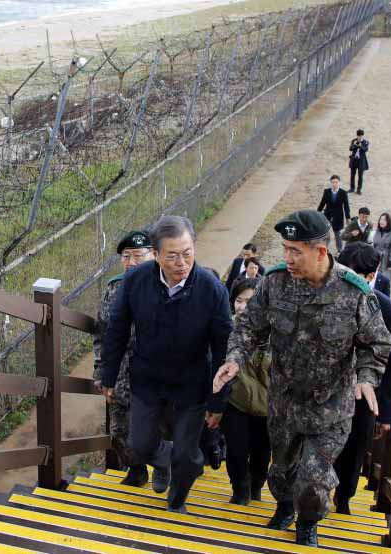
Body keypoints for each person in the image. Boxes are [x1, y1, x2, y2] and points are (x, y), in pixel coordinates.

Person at [213, 210, 391, 546]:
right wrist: (235, 359)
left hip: (330, 409)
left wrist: (367, 376)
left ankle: (308, 522)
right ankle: (284, 506)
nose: (287, 258)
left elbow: (377, 343)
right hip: (283, 403)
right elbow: (249, 326)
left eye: (295, 251)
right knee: (281, 470)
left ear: (320, 251)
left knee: (313, 480)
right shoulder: (275, 283)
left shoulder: (353, 291)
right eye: (285, 249)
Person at [102, 215, 233, 513]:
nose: (181, 263)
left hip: (192, 383)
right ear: (156, 254)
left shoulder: (212, 290)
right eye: (172, 256)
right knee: (139, 445)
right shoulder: (136, 280)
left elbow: (223, 348)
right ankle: (164, 461)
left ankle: (177, 500)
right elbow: (117, 329)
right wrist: (108, 376)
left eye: (187, 253)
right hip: (148, 378)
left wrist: (218, 401)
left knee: (187, 456)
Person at [332, 243, 391, 515]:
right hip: (325, 389)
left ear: (371, 276)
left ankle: (344, 497)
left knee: (354, 448)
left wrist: (385, 413)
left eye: (355, 275)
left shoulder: (389, 311)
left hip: (364, 394)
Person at [92, 229, 155, 486]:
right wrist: (100, 371)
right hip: (119, 375)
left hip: (154, 376)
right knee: (119, 433)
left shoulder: (165, 286)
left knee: (155, 430)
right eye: (126, 256)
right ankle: (137, 470)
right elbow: (102, 335)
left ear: (153, 255)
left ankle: (166, 469)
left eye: (138, 255)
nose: (131, 262)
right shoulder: (114, 288)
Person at [222, 277, 271, 506]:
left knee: (262, 450)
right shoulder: (226, 328)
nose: (243, 307)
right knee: (236, 448)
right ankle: (239, 489)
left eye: (249, 301)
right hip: (236, 399)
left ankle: (256, 486)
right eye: (239, 301)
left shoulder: (276, 331)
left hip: (268, 405)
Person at [317, 175, 351, 252]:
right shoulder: (326, 191)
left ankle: (339, 250)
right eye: (333, 182)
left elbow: (346, 206)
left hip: (338, 216)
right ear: (331, 183)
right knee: (325, 233)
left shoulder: (343, 193)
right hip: (327, 215)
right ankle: (324, 249)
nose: (334, 184)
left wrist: (348, 217)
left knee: (337, 234)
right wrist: (317, 213)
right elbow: (322, 203)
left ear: (339, 183)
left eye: (336, 182)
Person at [371, 212, 391, 282]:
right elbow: (374, 244)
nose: (382, 221)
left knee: (385, 279)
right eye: (381, 219)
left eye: (384, 220)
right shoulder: (377, 231)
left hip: (386, 259)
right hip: (376, 257)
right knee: (374, 278)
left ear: (388, 222)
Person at [348, 129, 369, 195]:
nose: (359, 137)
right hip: (354, 160)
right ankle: (352, 188)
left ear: (363, 135)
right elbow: (350, 149)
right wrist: (354, 145)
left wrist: (360, 146)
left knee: (360, 176)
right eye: (358, 136)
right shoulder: (354, 140)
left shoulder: (365, 142)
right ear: (357, 135)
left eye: (361, 136)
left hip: (361, 161)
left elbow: (366, 149)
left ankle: (359, 190)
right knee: (352, 175)